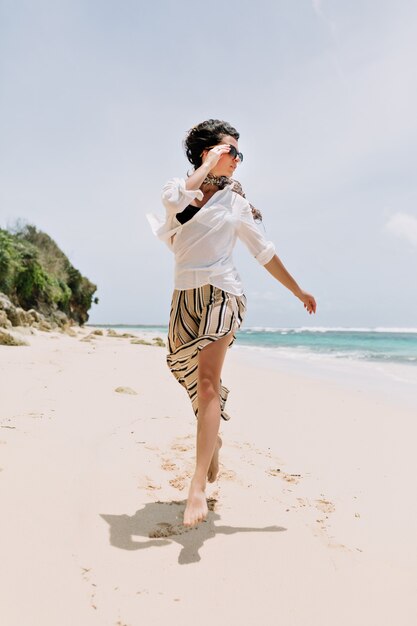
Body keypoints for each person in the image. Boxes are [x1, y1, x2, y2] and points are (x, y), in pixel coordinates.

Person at [147, 119, 316, 527]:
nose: (238, 161)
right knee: (186, 374)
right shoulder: (179, 189)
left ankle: (197, 487)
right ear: (208, 152)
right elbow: (178, 199)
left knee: (207, 382)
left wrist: (298, 291)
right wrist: (207, 167)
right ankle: (213, 443)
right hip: (184, 296)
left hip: (223, 294)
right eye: (231, 152)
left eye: (240, 155)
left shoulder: (237, 205)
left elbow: (264, 252)